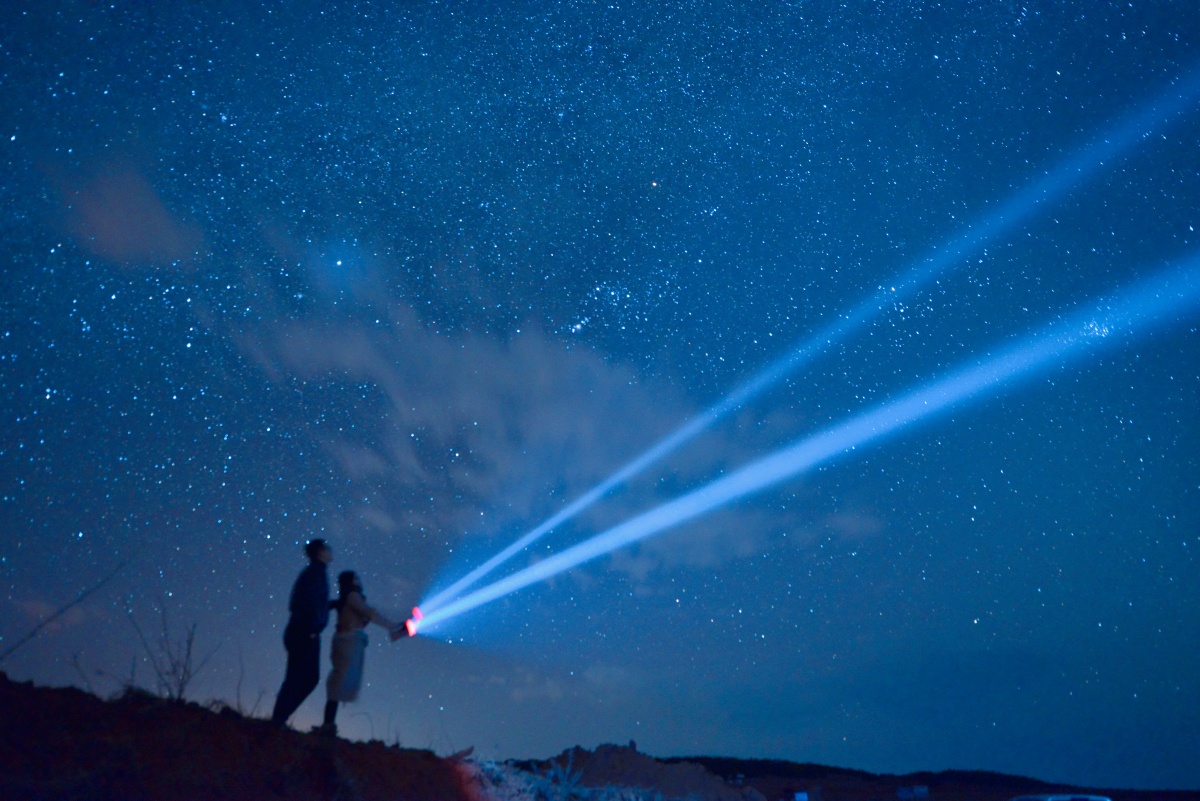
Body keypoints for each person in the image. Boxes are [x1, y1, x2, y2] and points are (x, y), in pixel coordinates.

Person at [314, 570, 407, 736]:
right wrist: (392, 626)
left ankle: (328, 725)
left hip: (345, 640)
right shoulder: (352, 597)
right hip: (348, 641)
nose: (358, 581)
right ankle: (328, 726)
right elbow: (368, 613)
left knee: (337, 682)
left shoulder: (348, 598)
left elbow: (364, 614)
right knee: (338, 682)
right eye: (355, 578)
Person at [270, 538, 332, 727]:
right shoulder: (315, 573)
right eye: (327, 549)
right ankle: (278, 720)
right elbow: (304, 602)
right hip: (304, 632)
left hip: (303, 631)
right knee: (302, 678)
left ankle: (279, 718)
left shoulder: (315, 573)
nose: (330, 552)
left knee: (302, 678)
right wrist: (312, 628)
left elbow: (314, 601)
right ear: (320, 552)